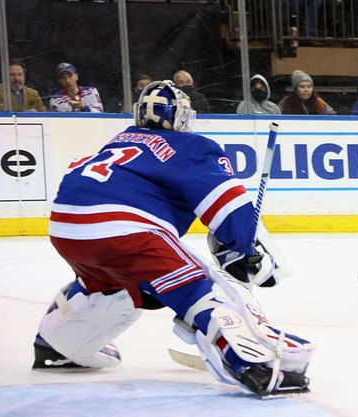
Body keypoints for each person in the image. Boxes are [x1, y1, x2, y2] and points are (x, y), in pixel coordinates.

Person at [31, 80, 314, 396]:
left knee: (110, 287)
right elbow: (230, 211)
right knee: (201, 287)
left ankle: (56, 344)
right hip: (125, 229)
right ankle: (252, 365)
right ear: (181, 116)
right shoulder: (192, 147)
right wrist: (244, 250)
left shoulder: (121, 140)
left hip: (66, 227)